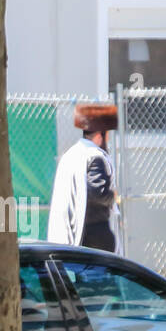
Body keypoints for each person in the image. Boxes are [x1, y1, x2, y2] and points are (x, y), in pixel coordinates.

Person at [47, 103, 122, 254]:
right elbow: (97, 192)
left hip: (72, 233)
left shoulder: (72, 154)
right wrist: (113, 196)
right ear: (100, 135)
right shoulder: (95, 156)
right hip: (94, 235)